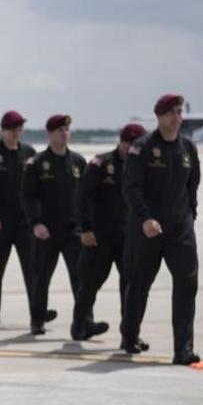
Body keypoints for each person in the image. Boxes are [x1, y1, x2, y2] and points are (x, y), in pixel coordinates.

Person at [119, 94, 201, 364]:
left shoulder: (188, 148)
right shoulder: (142, 148)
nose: (176, 117)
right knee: (139, 284)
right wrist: (144, 218)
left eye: (179, 112)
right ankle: (130, 336)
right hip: (147, 230)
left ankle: (183, 349)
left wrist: (190, 215)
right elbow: (130, 187)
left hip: (180, 231)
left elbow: (193, 185)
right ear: (159, 116)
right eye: (171, 113)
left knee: (187, 284)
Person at [71, 123, 147, 343]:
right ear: (122, 142)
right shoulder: (101, 163)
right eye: (130, 144)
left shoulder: (143, 165)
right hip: (99, 235)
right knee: (90, 284)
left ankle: (130, 335)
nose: (133, 149)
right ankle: (80, 325)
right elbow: (83, 198)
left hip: (129, 237)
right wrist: (85, 229)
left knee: (131, 285)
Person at [21, 114, 86, 335]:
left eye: (67, 130)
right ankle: (37, 320)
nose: (64, 133)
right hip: (46, 231)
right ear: (50, 133)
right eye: (59, 130)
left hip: (72, 231)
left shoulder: (78, 162)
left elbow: (86, 197)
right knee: (41, 278)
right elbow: (28, 196)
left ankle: (84, 322)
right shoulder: (37, 164)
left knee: (81, 279)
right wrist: (36, 223)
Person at [0, 110, 39, 326]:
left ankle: (37, 311)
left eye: (20, 128)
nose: (17, 132)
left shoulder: (29, 153)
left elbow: (36, 187)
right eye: (13, 128)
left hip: (24, 222)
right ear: (3, 130)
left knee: (32, 270)